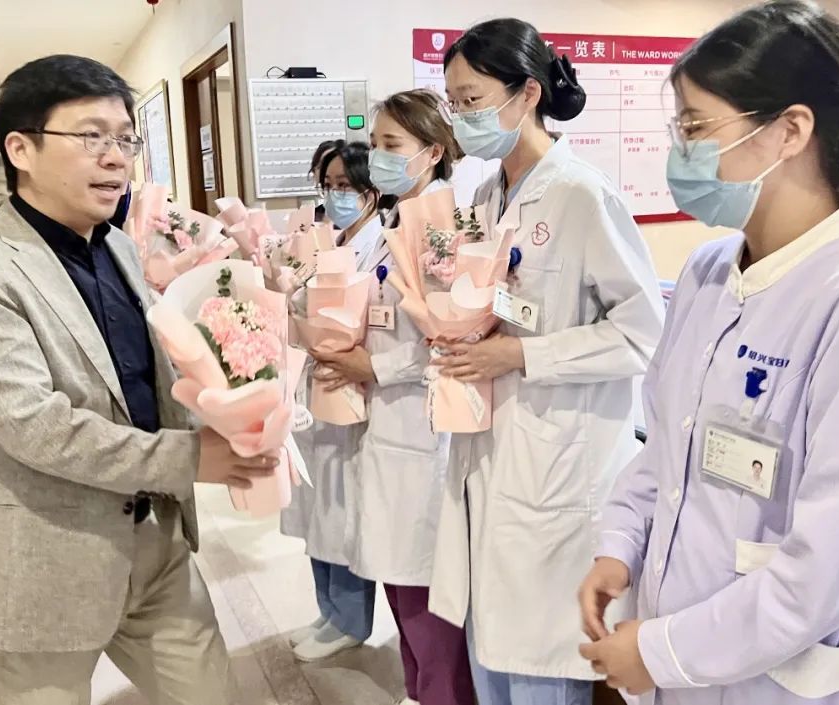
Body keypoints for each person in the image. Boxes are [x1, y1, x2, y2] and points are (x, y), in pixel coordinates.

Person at [0, 54, 275, 705]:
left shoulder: (115, 245)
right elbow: (36, 428)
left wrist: (241, 397)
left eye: (124, 139)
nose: (116, 158)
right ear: (20, 149)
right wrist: (192, 456)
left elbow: (148, 377)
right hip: (49, 555)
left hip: (157, 543)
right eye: (91, 137)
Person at [578, 3, 839, 703]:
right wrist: (620, 543)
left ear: (790, 131)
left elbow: (829, 564)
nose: (679, 153)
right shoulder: (708, 270)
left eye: (694, 127)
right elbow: (664, 445)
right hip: (673, 647)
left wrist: (663, 651)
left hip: (779, 678)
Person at [428, 19, 665, 705]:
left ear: (527, 93)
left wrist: (521, 354)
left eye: (473, 100)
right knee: (493, 654)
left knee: (540, 665)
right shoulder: (483, 197)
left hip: (557, 465)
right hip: (491, 449)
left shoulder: (581, 194)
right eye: (453, 102)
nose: (462, 117)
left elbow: (642, 333)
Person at [315, 88, 475, 705]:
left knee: (423, 589)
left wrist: (372, 366)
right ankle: (418, 689)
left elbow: (451, 338)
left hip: (420, 432)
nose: (377, 156)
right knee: (395, 578)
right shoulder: (394, 226)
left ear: (432, 153)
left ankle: (440, 694)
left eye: (391, 144)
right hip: (382, 429)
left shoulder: (442, 232)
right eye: (375, 142)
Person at [282, 140, 384, 662]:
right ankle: (327, 608)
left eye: (345, 185)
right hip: (316, 387)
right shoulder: (326, 240)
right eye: (328, 185)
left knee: (342, 513)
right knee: (316, 509)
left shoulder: (382, 245)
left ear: (370, 190)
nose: (335, 195)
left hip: (351, 396)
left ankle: (349, 618)